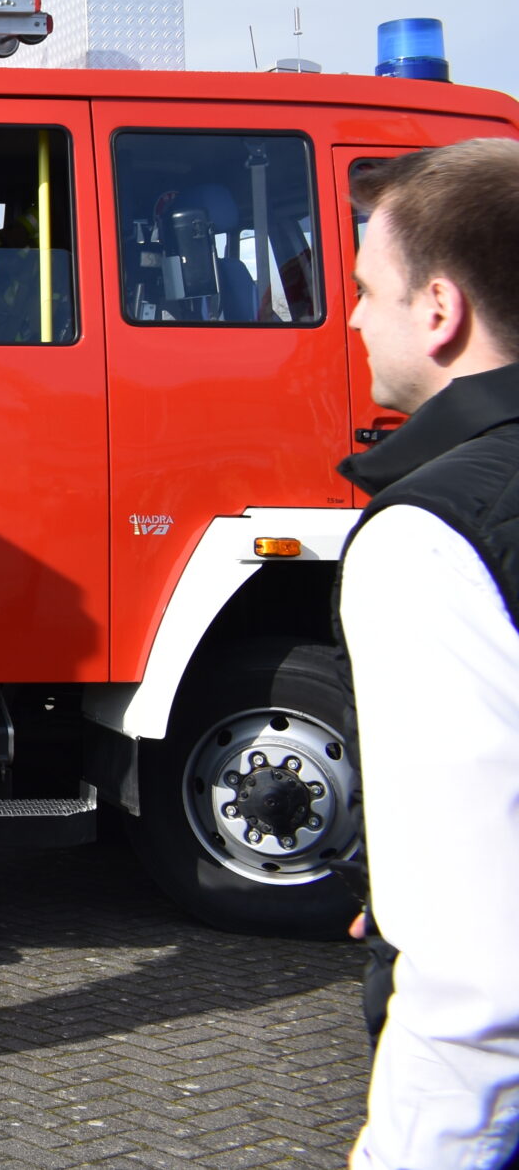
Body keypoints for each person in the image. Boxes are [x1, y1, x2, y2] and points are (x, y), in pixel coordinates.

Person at [335, 140, 519, 1170]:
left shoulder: (431, 538)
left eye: (366, 289)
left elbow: (480, 983)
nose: (353, 318)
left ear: (439, 310)